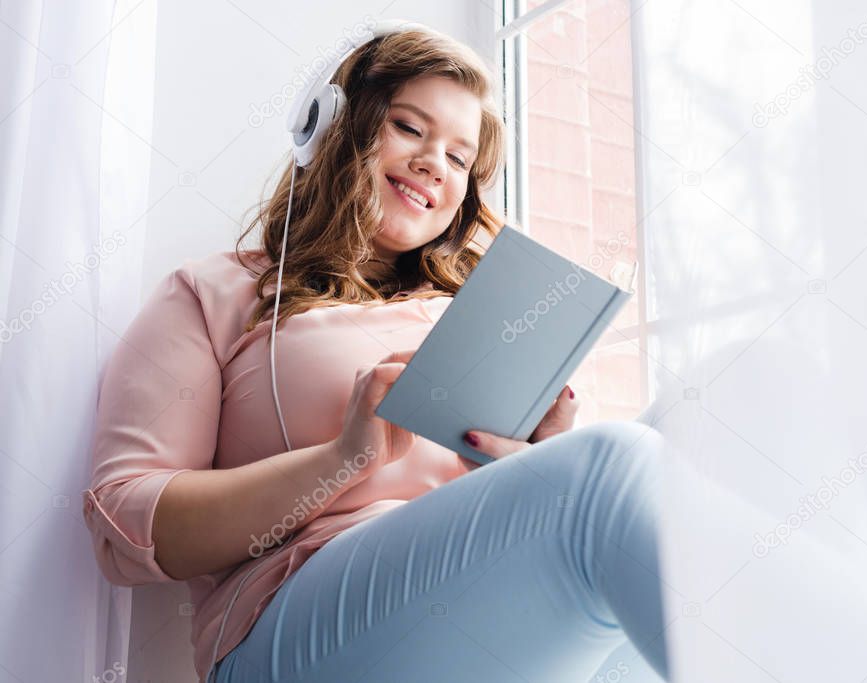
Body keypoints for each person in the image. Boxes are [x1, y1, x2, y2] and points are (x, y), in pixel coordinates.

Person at [81, 26, 673, 683]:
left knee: (683, 433)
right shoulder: (216, 294)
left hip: (486, 613)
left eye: (457, 158)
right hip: (291, 626)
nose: (433, 164)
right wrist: (341, 460)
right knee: (611, 464)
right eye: (409, 127)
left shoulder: (473, 314)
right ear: (333, 124)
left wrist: (535, 466)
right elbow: (125, 528)